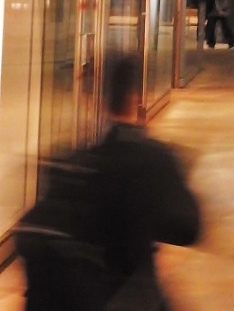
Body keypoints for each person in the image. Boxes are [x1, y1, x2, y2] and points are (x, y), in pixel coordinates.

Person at [18, 53, 200, 309]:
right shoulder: (152, 160)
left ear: (95, 100)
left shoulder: (67, 163)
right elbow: (188, 228)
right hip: (129, 297)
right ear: (136, 98)